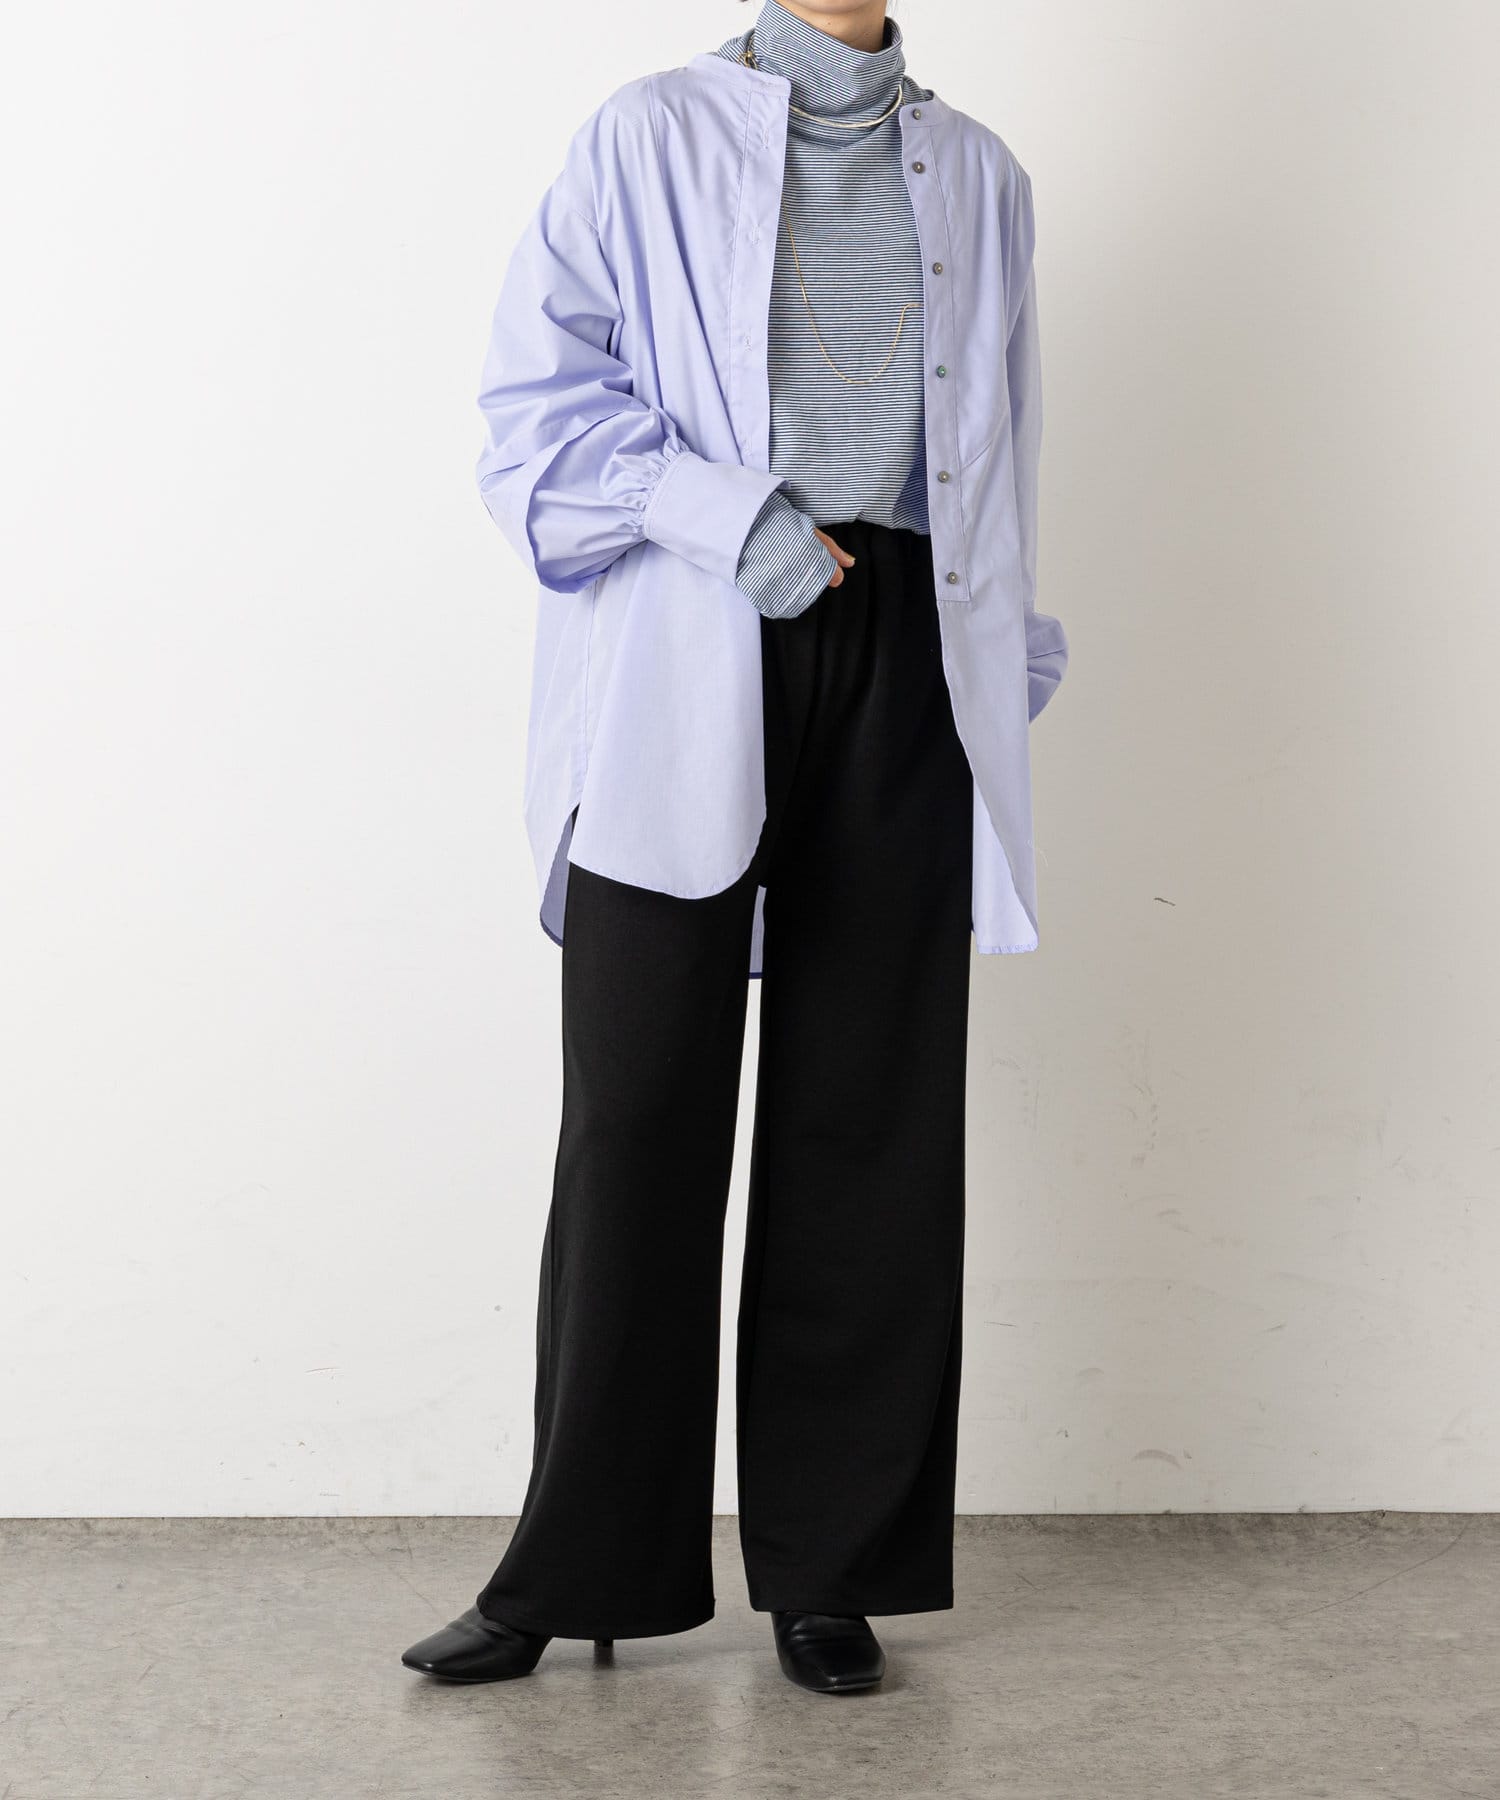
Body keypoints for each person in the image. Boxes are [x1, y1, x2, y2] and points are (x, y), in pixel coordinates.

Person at [402, 0, 1068, 1697]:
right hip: (694, 629)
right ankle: (578, 1568)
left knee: (871, 1118)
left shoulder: (982, 173)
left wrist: (993, 659)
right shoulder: (648, 132)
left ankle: (833, 1571)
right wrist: (731, 522)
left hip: (903, 649)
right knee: (638, 1111)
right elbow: (536, 417)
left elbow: (998, 446)